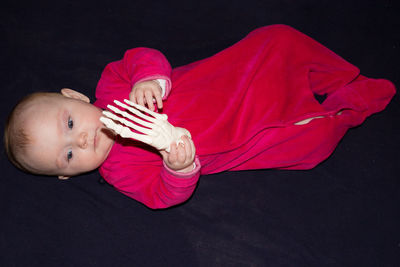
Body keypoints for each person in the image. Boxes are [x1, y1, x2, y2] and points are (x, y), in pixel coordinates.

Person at [4, 25, 396, 209]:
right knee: (313, 142)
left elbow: (143, 56)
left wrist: (149, 79)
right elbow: (160, 196)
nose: (84, 141)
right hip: (245, 136)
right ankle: (352, 103)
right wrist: (178, 167)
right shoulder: (120, 172)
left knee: (277, 39)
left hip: (235, 79)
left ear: (73, 96)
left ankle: (340, 74)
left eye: (70, 125)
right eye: (69, 155)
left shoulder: (111, 85)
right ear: (67, 175)